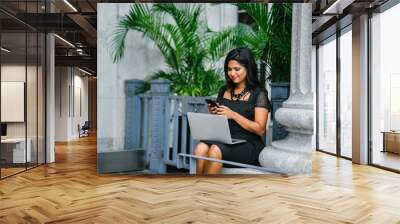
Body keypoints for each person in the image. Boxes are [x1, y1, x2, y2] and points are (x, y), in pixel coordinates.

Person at [193, 47, 271, 174]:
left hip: (248, 144)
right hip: (226, 140)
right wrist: (214, 113)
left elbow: (260, 129)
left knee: (214, 150)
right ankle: (201, 189)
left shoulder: (259, 94)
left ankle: (205, 191)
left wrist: (233, 115)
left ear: (248, 68)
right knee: (200, 148)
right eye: (229, 69)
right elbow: (220, 122)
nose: (232, 73)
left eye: (237, 69)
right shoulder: (224, 91)